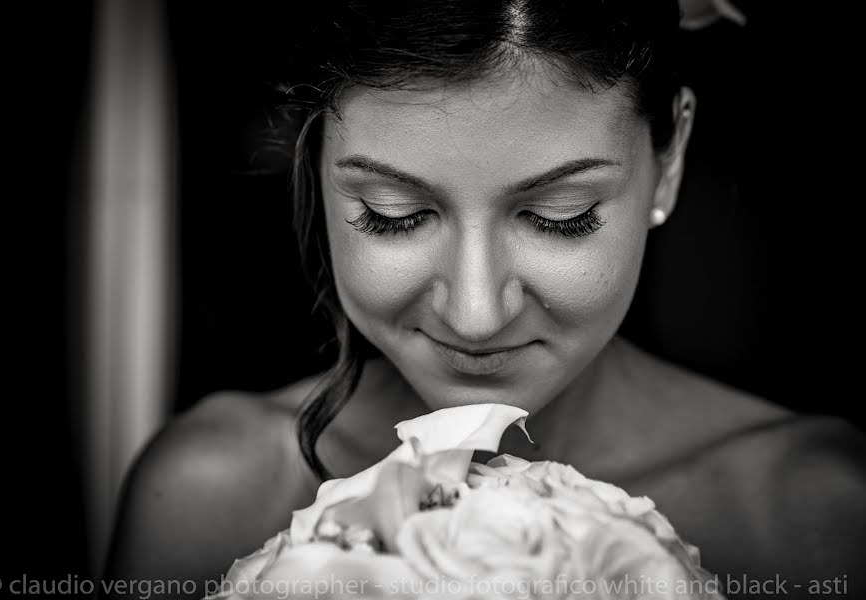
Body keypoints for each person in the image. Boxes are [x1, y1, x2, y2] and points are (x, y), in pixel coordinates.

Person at [103, 1, 865, 599]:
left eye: (558, 216)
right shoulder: (207, 494)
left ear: (667, 164)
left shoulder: (819, 515)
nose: (474, 314)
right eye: (391, 213)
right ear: (316, 162)